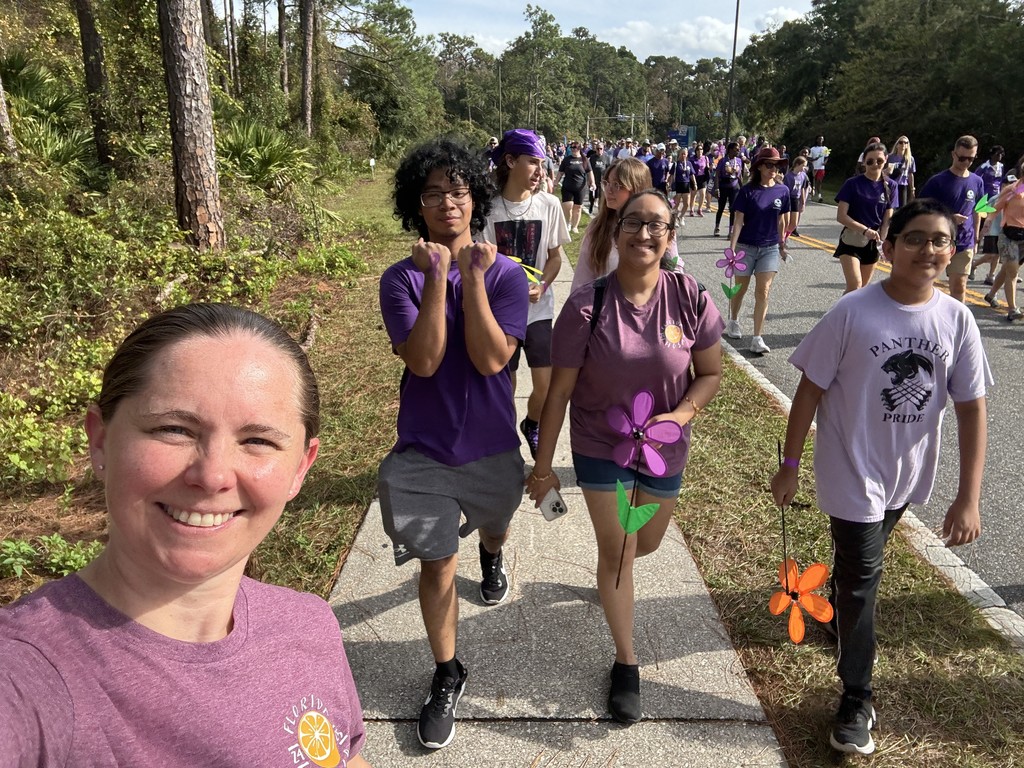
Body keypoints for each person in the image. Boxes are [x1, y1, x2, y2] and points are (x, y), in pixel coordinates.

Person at [0, 303, 370, 767]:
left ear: (300, 467)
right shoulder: (28, 680)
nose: (212, 475)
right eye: (173, 429)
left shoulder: (308, 625)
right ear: (100, 441)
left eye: (258, 441)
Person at [771, 198, 991, 756]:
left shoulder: (956, 319)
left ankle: (840, 617)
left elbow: (971, 407)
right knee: (864, 574)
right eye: (915, 239)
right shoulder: (853, 311)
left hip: (906, 473)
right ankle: (857, 698)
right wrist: (791, 464)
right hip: (850, 467)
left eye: (940, 240)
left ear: (952, 250)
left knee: (858, 568)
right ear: (888, 249)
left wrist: (969, 496)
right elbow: (810, 390)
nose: (929, 250)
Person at [527, 189, 723, 725]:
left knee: (647, 542)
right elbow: (558, 396)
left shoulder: (691, 299)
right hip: (601, 444)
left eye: (656, 224)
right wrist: (544, 470)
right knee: (618, 549)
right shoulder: (586, 306)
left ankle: (613, 580)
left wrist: (680, 415)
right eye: (633, 223)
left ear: (670, 235)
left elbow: (709, 374)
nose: (643, 233)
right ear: (616, 233)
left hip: (665, 448)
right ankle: (626, 661)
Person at [379, 137, 530, 750]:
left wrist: (471, 278)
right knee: (437, 563)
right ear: (417, 204)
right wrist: (438, 278)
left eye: (459, 190)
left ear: (477, 198)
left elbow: (494, 359)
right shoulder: (400, 280)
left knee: (495, 525)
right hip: (423, 451)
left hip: (492, 444)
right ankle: (448, 671)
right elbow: (424, 360)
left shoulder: (506, 273)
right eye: (434, 192)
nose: (447, 202)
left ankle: (492, 552)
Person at [484, 129, 569, 459]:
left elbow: (556, 256)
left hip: (539, 310)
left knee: (545, 384)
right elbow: (480, 262)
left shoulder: (548, 205)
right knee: (505, 385)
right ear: (510, 161)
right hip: (501, 314)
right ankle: (505, 440)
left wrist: (543, 285)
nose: (539, 171)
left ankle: (531, 423)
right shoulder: (488, 211)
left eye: (542, 163)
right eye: (533, 162)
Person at [572, 158, 682, 292]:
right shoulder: (598, 227)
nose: (608, 189)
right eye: (607, 183)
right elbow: (582, 281)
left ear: (637, 188)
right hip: (606, 309)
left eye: (617, 184)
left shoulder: (660, 227)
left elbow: (674, 268)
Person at [724, 147, 791, 355]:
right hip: (746, 247)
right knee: (740, 290)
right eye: (770, 165)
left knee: (763, 291)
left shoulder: (783, 191)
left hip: (769, 248)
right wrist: (732, 249)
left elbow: (782, 220)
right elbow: (738, 221)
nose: (774, 169)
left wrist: (782, 245)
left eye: (778, 165)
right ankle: (733, 320)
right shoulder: (747, 191)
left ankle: (757, 338)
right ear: (760, 166)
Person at [919, 135, 985, 303]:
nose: (966, 162)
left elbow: (979, 210)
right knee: (925, 283)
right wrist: (948, 217)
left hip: (965, 240)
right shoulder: (938, 181)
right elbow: (921, 210)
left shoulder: (977, 181)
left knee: (959, 286)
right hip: (937, 241)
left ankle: (956, 324)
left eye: (971, 158)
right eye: (962, 158)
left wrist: (976, 238)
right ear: (953, 154)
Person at [833, 141, 898, 293]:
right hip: (852, 239)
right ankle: (842, 316)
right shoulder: (852, 183)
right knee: (855, 285)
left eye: (879, 161)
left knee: (860, 291)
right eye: (870, 161)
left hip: (873, 242)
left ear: (886, 160)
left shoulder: (891, 186)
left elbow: (888, 217)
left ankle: (848, 314)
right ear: (864, 162)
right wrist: (864, 230)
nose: (875, 164)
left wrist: (883, 242)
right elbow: (841, 216)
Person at [988, 159, 1024, 321]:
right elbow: (995, 208)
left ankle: (990, 294)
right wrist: (986, 224)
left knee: (1007, 270)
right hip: (1009, 236)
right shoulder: (1014, 190)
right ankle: (1012, 309)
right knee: (1012, 272)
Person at [971, 145, 1005, 283]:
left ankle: (991, 275)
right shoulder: (984, 167)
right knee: (982, 224)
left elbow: (1002, 182)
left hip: (997, 200)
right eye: (997, 154)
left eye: (1001, 154)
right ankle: (976, 244)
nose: (999, 157)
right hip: (985, 200)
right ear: (992, 155)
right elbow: (976, 181)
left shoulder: (1001, 167)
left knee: (997, 244)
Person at [555, 139, 596, 233]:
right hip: (567, 186)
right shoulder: (567, 159)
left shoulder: (584, 159)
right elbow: (560, 172)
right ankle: (568, 222)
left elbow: (590, 172)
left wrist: (592, 183)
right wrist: (556, 182)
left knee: (578, 207)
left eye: (575, 147)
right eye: (572, 147)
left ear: (579, 148)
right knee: (567, 205)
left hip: (580, 187)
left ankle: (575, 226)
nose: (573, 149)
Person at [714, 141, 743, 237]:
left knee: (732, 209)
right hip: (723, 186)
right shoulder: (722, 161)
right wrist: (717, 188)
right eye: (736, 149)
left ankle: (731, 231)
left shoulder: (738, 161)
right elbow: (717, 175)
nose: (738, 151)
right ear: (730, 150)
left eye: (739, 149)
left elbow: (740, 176)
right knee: (721, 208)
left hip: (734, 186)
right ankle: (717, 227)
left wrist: (743, 188)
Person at [783, 155, 810, 238]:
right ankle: (781, 238)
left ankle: (785, 237)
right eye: (803, 165)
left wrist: (803, 202)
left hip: (795, 199)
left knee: (794, 223)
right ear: (797, 165)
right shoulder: (788, 176)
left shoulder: (803, 176)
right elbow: (784, 190)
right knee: (786, 221)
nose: (804, 168)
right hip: (788, 199)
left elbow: (802, 189)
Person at [887, 135, 916, 208]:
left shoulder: (910, 159)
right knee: (890, 207)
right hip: (891, 184)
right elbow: (886, 171)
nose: (903, 144)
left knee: (902, 207)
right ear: (897, 145)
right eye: (901, 142)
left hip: (903, 185)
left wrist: (912, 189)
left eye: (906, 143)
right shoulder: (890, 157)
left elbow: (910, 174)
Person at [587, 141, 611, 214]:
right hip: (593, 180)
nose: (599, 150)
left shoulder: (606, 157)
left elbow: (608, 168)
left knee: (601, 197)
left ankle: (600, 212)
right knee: (592, 196)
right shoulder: (592, 158)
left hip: (602, 181)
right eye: (598, 149)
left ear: (603, 149)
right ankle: (591, 204)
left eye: (601, 149)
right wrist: (589, 180)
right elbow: (588, 169)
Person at [687, 143, 711, 217]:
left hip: (702, 178)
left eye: (701, 149)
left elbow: (707, 167)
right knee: (693, 195)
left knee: (703, 194)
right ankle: (691, 209)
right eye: (698, 149)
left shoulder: (705, 158)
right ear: (696, 151)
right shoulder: (692, 159)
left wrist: (710, 167)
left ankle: (699, 209)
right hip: (694, 177)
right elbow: (690, 169)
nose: (700, 151)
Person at [809, 135, 829, 202]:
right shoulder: (812, 149)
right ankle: (810, 194)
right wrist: (814, 159)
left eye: (822, 139)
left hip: (821, 168)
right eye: (819, 139)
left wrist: (825, 162)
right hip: (813, 167)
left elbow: (826, 157)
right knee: (812, 182)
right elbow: (809, 158)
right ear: (817, 140)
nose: (820, 140)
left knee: (819, 182)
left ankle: (819, 196)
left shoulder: (825, 148)